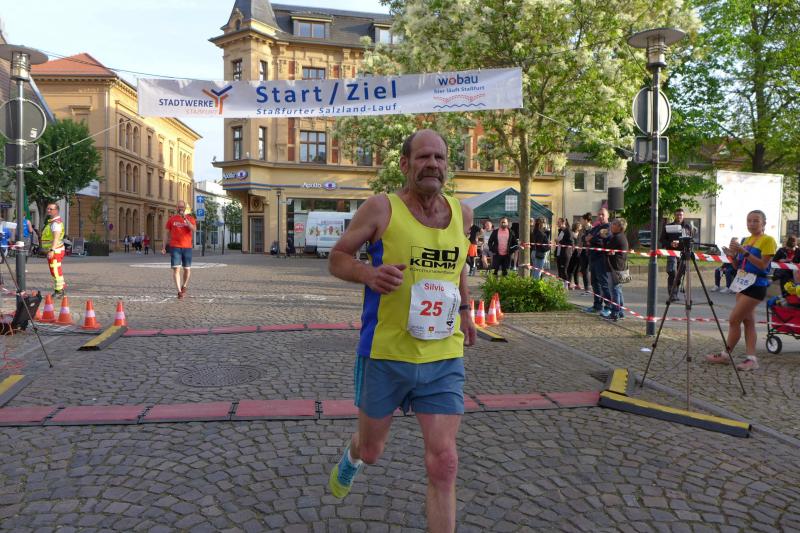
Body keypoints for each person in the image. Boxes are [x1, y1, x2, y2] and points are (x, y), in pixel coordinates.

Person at [327, 129, 476, 532]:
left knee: (444, 462)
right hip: (385, 355)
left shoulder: (462, 214)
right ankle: (353, 455)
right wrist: (368, 274)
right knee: (372, 450)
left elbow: (458, 265)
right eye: (424, 157)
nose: (433, 164)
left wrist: (465, 309)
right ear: (405, 164)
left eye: (440, 158)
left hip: (443, 355)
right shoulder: (381, 208)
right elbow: (337, 257)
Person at [706, 210, 776, 371]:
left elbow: (763, 265)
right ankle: (751, 359)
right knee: (748, 322)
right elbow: (738, 265)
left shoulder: (768, 240)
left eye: (756, 221)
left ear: (763, 223)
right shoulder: (746, 240)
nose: (751, 224)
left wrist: (743, 252)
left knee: (734, 320)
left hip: (756, 285)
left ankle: (726, 355)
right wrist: (731, 255)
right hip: (742, 283)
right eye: (749, 220)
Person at [162, 200, 197, 299]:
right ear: (176, 208)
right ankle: (179, 291)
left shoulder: (190, 218)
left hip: (187, 247)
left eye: (182, 207)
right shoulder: (172, 219)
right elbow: (166, 234)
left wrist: (186, 219)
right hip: (175, 247)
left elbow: (194, 229)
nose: (181, 208)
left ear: (185, 208)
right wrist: (164, 247)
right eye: (179, 207)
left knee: (187, 269)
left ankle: (184, 285)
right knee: (176, 269)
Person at [659, 208, 693, 302]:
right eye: (677, 215)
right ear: (674, 215)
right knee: (672, 272)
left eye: (680, 215)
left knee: (679, 274)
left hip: (683, 254)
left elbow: (690, 240)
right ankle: (672, 295)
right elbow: (662, 240)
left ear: (683, 216)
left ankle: (675, 293)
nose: (679, 216)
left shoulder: (687, 227)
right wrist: (670, 243)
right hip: (671, 253)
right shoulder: (668, 226)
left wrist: (682, 243)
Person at [583, 208, 612, 316]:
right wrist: (591, 238)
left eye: (602, 214)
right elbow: (585, 237)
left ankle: (608, 307)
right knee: (595, 283)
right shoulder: (596, 227)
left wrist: (591, 239)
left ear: (607, 216)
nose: (600, 216)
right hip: (593, 258)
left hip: (602, 259)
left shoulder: (608, 227)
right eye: (599, 214)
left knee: (604, 283)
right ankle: (597, 305)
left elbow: (600, 240)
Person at [605, 217, 629, 321]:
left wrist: (604, 237)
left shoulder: (617, 237)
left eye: (614, 224)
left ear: (620, 227)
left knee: (614, 290)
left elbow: (606, 248)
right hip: (619, 267)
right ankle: (621, 312)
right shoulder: (620, 236)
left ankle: (615, 312)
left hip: (615, 268)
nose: (611, 225)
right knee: (618, 290)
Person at [40, 203, 67, 296]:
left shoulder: (56, 223)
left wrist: (52, 250)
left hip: (56, 250)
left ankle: (59, 290)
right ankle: (60, 288)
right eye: (47, 208)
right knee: (55, 270)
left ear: (56, 211)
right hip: (55, 249)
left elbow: (56, 238)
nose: (48, 210)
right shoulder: (52, 222)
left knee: (55, 270)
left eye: (51, 209)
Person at [556, 217, 573, 284]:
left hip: (565, 254)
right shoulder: (561, 231)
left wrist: (560, 241)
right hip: (559, 254)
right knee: (560, 271)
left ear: (563, 223)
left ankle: (566, 286)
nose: (557, 223)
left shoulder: (568, 231)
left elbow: (571, 243)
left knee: (564, 271)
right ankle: (560, 286)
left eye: (559, 222)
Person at [566, 221, 582, 290]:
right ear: (577, 227)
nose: (581, 227)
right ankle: (568, 284)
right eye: (580, 226)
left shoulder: (580, 234)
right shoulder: (571, 234)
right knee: (571, 269)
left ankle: (577, 284)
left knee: (577, 270)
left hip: (579, 254)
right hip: (572, 254)